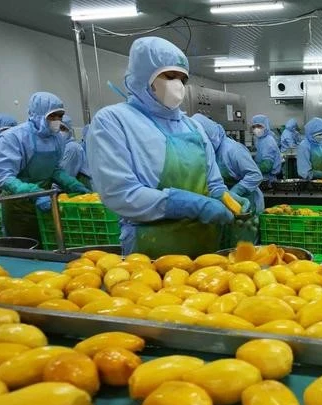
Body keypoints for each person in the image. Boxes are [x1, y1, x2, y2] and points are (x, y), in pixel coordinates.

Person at [87, 37, 248, 257]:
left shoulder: (192, 126)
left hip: (205, 247)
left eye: (183, 79)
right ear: (145, 77)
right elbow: (119, 193)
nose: (178, 85)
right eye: (170, 76)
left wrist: (224, 196)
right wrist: (184, 204)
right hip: (151, 250)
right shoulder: (114, 121)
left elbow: (213, 182)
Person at [0, 92, 90, 241]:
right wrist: (33, 192)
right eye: (52, 116)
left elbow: (55, 169)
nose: (57, 120)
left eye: (60, 116)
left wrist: (72, 184)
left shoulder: (56, 138)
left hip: (45, 203)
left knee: (48, 245)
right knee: (25, 247)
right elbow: (3, 177)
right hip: (18, 205)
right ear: (38, 114)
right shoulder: (14, 137)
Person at [193, 113, 264, 247]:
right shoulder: (208, 153)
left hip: (248, 201)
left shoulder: (232, 150)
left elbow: (255, 175)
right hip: (226, 203)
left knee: (246, 243)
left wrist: (236, 191)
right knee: (230, 244)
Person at [251, 114, 282, 183]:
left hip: (268, 180)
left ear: (266, 126)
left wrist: (250, 168)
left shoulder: (268, 141)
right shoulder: (260, 140)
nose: (256, 129)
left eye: (259, 126)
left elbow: (266, 166)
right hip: (263, 177)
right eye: (254, 127)